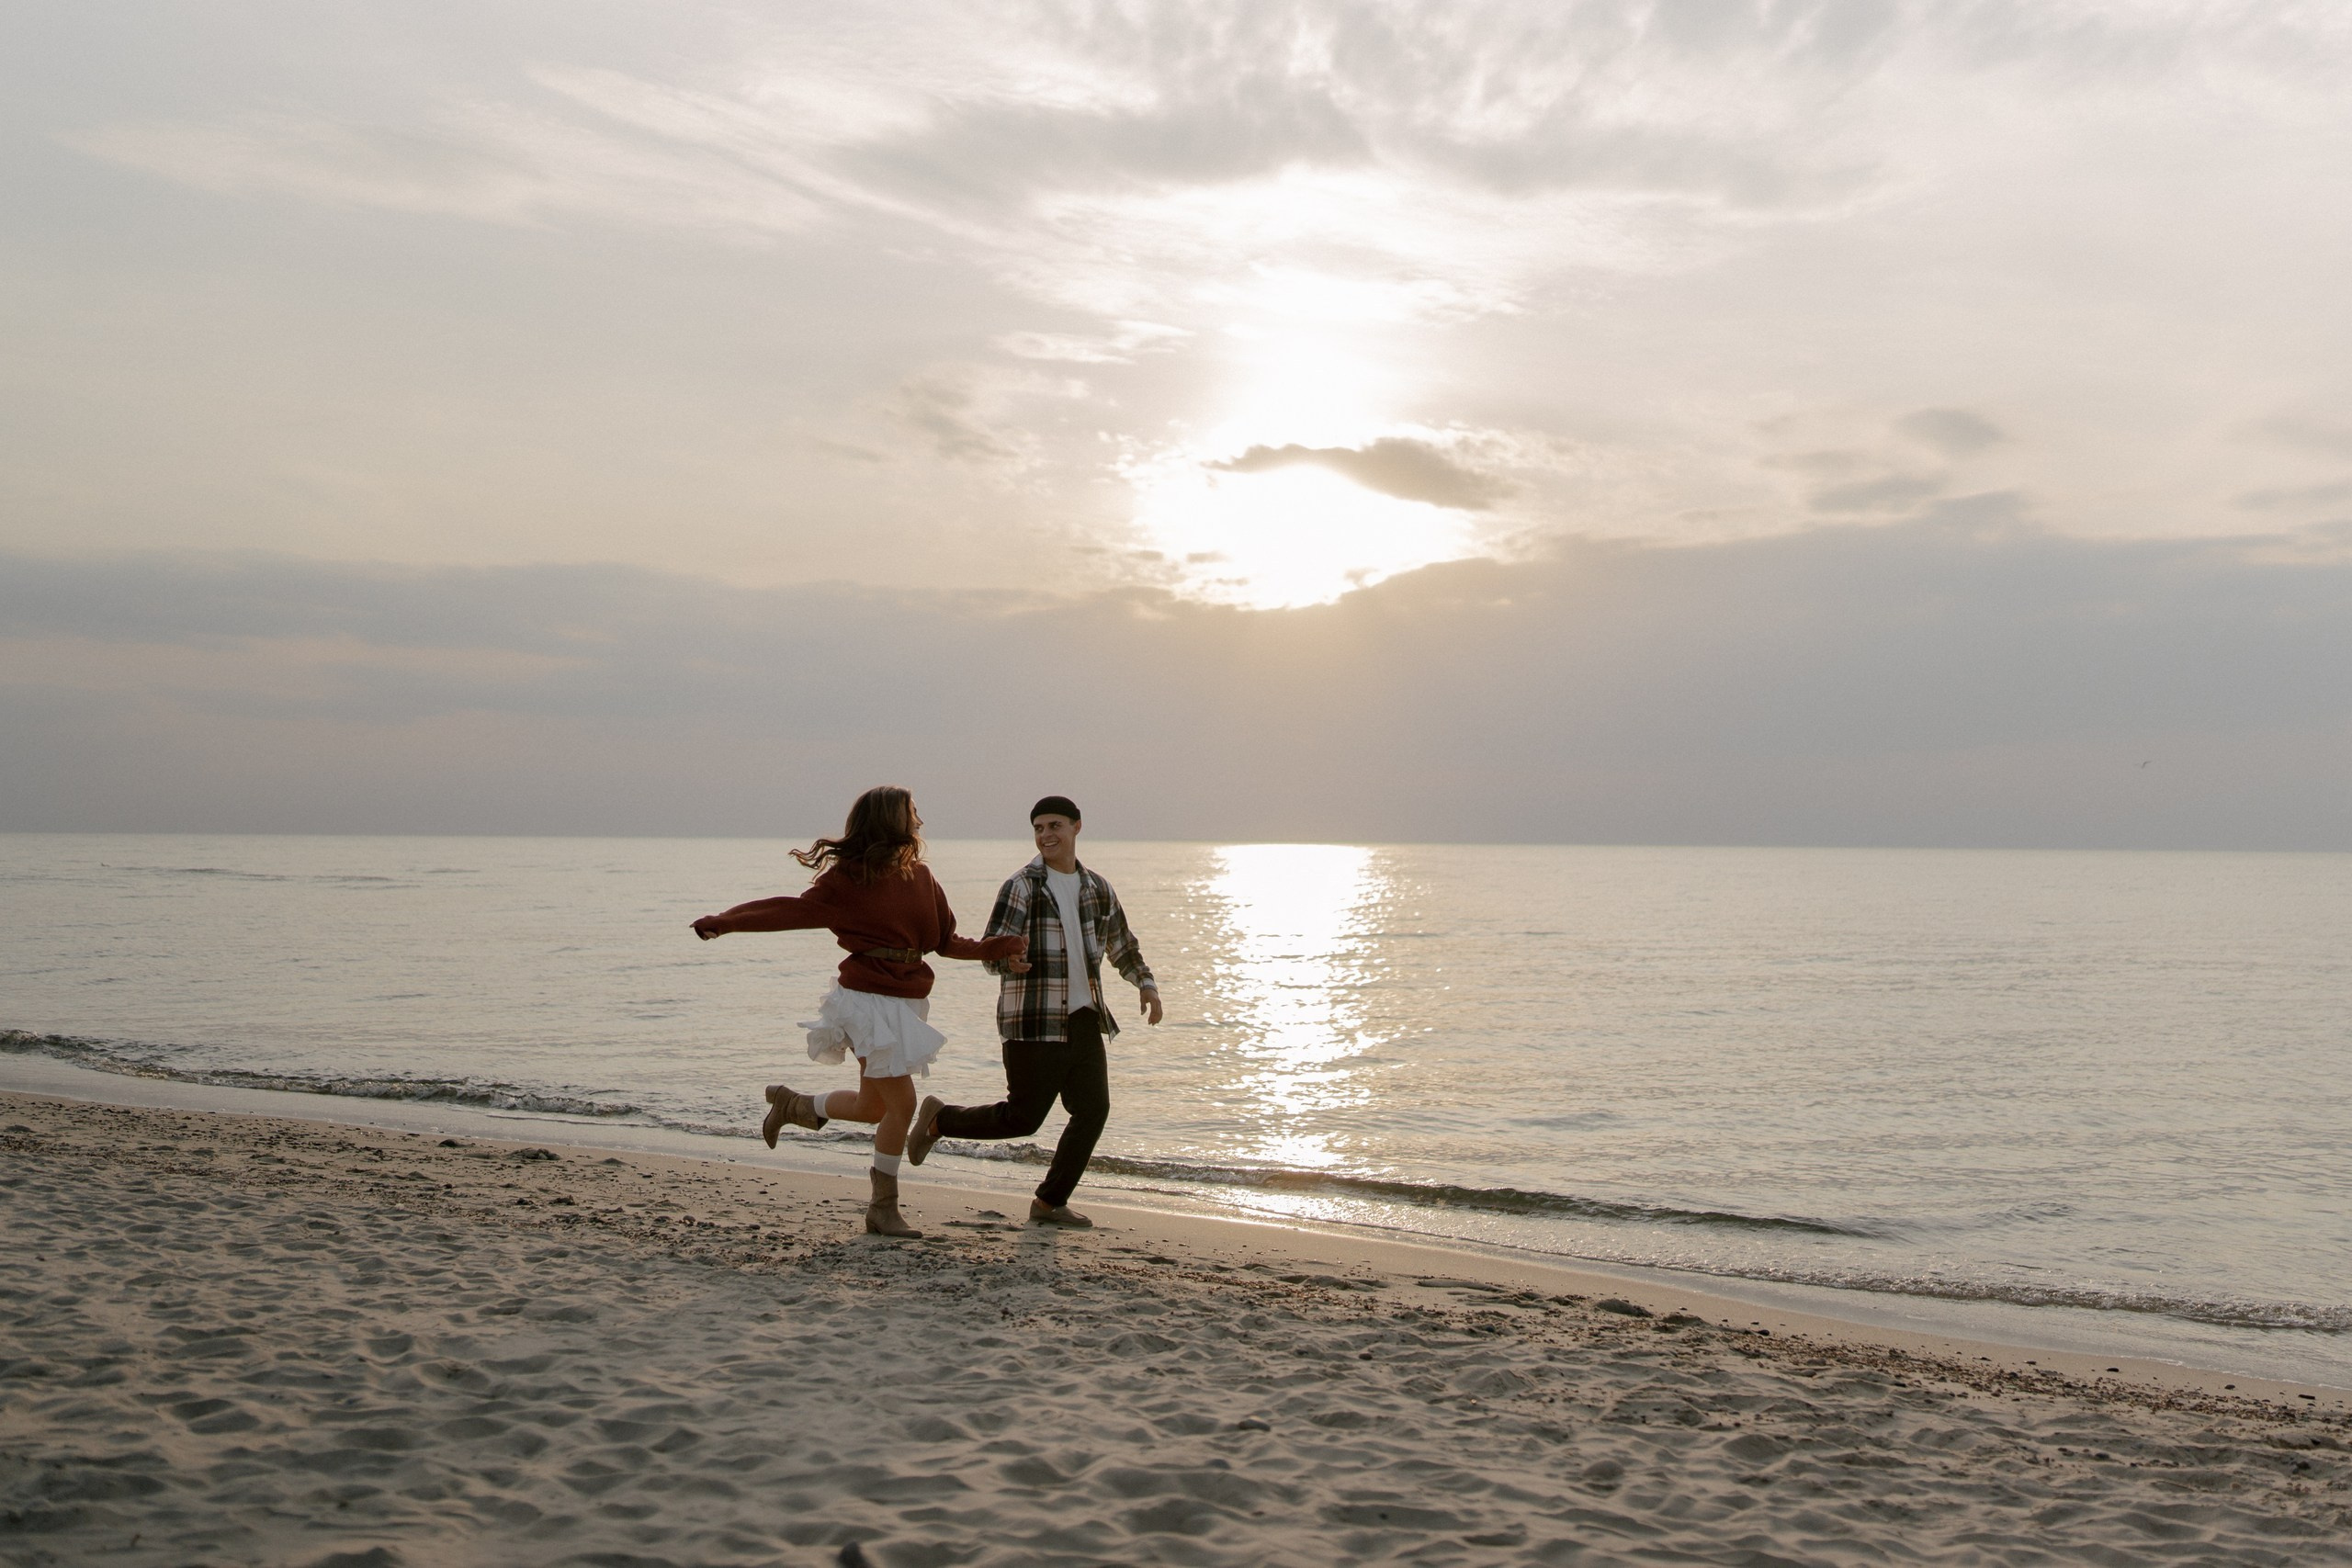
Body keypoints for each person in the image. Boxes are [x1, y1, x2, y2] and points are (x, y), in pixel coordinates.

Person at [691, 785, 1023, 1238]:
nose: (919, 819)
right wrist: (726, 922)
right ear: (891, 820)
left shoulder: (922, 879)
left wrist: (999, 948)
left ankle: (795, 1106)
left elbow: (947, 943)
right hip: (865, 1001)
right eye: (912, 811)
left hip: (906, 1002)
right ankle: (882, 1208)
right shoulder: (849, 879)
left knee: (873, 1108)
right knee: (903, 1105)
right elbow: (787, 910)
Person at [904, 795, 1160, 1226]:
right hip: (1034, 1022)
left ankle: (1048, 1202)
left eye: (1055, 826)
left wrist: (1146, 985)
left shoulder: (1098, 889)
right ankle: (939, 1119)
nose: (1046, 835)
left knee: (1093, 1111)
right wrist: (1008, 960)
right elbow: (990, 952)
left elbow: (1122, 945)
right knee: (1022, 1119)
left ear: (1077, 827)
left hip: (1084, 1019)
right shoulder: (1021, 885)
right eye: (1039, 828)